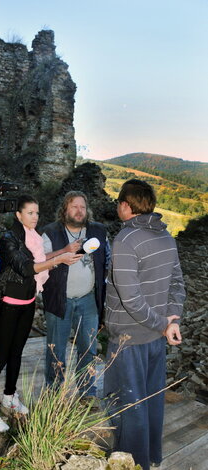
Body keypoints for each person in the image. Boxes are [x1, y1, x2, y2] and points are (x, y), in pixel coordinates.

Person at [0, 194, 82, 432]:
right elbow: (27, 268)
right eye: (30, 213)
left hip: (28, 301)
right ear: (18, 214)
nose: (35, 217)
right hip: (9, 304)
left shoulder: (33, 238)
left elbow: (39, 258)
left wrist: (62, 253)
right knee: (0, 356)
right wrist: (60, 260)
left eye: (37, 213)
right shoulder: (9, 239)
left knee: (16, 353)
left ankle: (9, 396)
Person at [104, 179, 186, 470]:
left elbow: (131, 299)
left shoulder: (126, 240)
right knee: (151, 400)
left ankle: (132, 463)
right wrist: (171, 319)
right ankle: (151, 456)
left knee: (125, 404)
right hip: (154, 338)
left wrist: (163, 325)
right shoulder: (166, 237)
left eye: (118, 202)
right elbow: (178, 284)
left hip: (129, 337)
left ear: (126, 206)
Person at [42, 191, 110, 401]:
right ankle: (54, 393)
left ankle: (87, 393)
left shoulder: (98, 231)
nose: (79, 211)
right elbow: (39, 260)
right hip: (59, 299)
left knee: (88, 349)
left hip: (88, 299)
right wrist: (63, 252)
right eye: (74, 206)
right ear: (65, 209)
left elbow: (108, 260)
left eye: (82, 207)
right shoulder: (50, 232)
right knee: (56, 350)